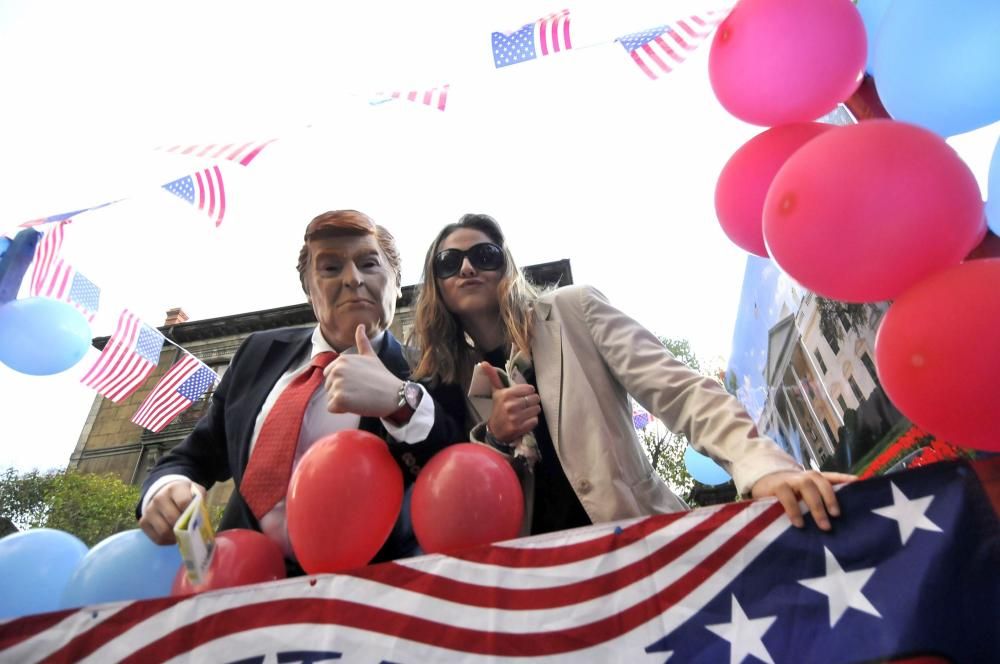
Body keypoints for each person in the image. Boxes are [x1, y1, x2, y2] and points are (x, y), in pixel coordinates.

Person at [411, 213, 855, 536]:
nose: (467, 268)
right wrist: (494, 435)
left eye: (484, 255)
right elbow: (469, 494)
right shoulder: (448, 380)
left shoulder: (573, 311)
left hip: (642, 545)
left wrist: (761, 468)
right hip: (542, 581)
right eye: (450, 262)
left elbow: (680, 391)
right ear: (437, 283)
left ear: (505, 267)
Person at [138, 210, 464, 570]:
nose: (353, 279)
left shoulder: (433, 371)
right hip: (241, 586)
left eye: (369, 264)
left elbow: (456, 462)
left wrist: (400, 400)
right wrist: (166, 488)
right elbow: (193, 456)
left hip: (372, 597)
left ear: (397, 282)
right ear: (309, 290)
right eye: (330, 268)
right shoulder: (257, 354)